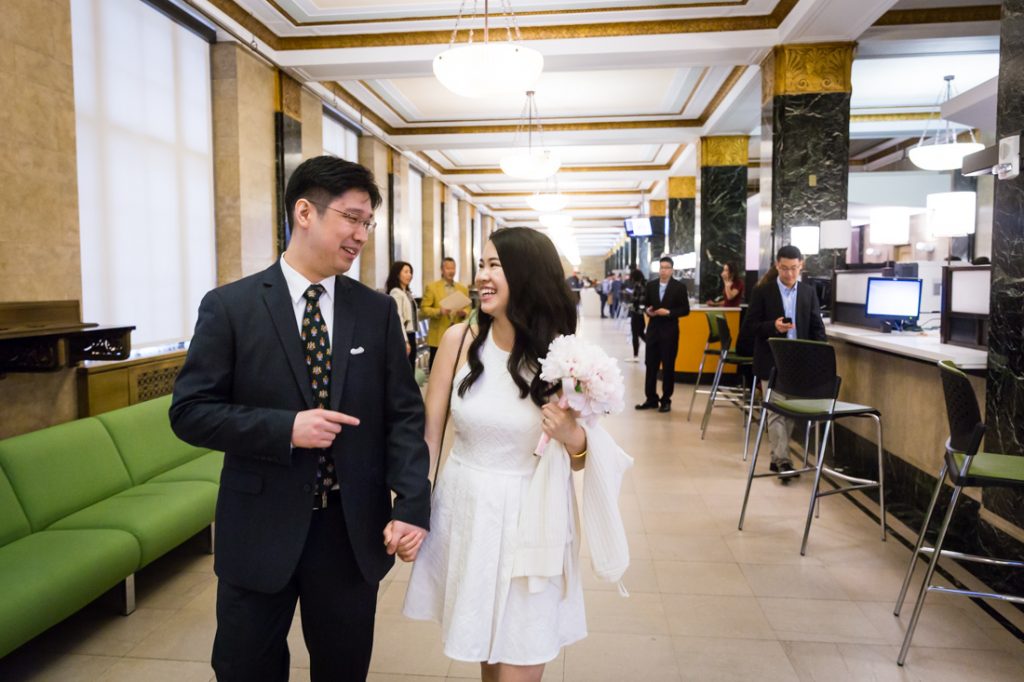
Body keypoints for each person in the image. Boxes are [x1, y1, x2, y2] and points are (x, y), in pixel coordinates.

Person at [169, 156, 431, 682]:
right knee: (246, 667)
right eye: (351, 218)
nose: (360, 235)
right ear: (305, 212)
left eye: (367, 223)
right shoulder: (231, 307)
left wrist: (413, 504)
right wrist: (284, 428)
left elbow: (403, 415)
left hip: (349, 530)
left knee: (343, 668)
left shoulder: (375, 312)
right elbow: (191, 413)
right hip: (259, 527)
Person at [403, 227, 588, 682]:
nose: (482, 276)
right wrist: (411, 507)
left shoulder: (564, 355)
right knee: (488, 654)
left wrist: (570, 434)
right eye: (480, 265)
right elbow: (429, 437)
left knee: (520, 655)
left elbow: (585, 456)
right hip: (470, 512)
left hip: (533, 515)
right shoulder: (458, 343)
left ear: (525, 275)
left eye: (495, 266)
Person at [740, 244, 827, 480]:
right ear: (777, 265)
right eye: (785, 268)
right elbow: (749, 328)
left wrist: (820, 357)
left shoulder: (808, 293)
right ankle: (783, 460)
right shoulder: (763, 292)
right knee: (777, 411)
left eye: (794, 269)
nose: (789, 274)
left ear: (801, 267)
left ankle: (779, 457)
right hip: (771, 359)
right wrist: (773, 327)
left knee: (789, 412)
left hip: (799, 362)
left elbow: (817, 328)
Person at [635, 257, 690, 413]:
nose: (663, 270)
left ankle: (666, 399)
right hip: (653, 331)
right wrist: (648, 311)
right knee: (650, 365)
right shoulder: (651, 286)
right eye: (661, 267)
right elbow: (646, 304)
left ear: (672, 270)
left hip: (670, 331)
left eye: (666, 267)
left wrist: (669, 312)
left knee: (668, 366)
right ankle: (651, 398)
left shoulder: (679, 287)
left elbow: (685, 310)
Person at [421, 257, 471, 369]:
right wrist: (439, 311)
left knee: (456, 365)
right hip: (438, 334)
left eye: (453, 268)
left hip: (457, 333)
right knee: (436, 365)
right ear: (442, 270)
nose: (451, 271)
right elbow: (424, 309)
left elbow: (468, 307)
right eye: (448, 268)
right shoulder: (432, 287)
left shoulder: (462, 288)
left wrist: (464, 312)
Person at [386, 260, 418, 369]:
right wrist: (405, 341)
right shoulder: (396, 292)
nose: (409, 275)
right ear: (397, 274)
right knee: (406, 368)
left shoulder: (406, 293)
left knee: (411, 366)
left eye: (410, 272)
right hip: (404, 335)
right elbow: (398, 317)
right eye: (406, 272)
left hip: (411, 334)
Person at [626, 269, 647, 362]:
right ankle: (652, 346)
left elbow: (637, 299)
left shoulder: (638, 286)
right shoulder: (645, 284)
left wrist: (631, 300)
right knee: (641, 333)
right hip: (642, 313)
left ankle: (635, 355)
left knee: (636, 333)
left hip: (637, 313)